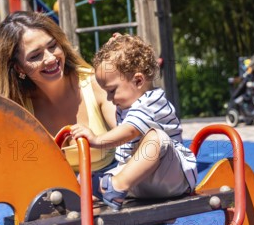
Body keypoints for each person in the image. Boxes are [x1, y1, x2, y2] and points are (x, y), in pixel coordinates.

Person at [0, 11, 124, 225]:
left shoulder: (94, 84)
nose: (50, 58)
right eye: (35, 55)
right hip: (54, 196)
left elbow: (127, 129)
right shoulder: (19, 107)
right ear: (19, 67)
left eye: (53, 46)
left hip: (104, 187)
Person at [71, 35, 198, 209]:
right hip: (142, 181)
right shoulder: (126, 106)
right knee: (89, 178)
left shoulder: (152, 101)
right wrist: (115, 49)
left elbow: (129, 131)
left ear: (138, 80)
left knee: (157, 138)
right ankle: (102, 194)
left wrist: (96, 140)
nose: (109, 98)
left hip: (172, 177)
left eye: (112, 91)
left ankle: (115, 186)